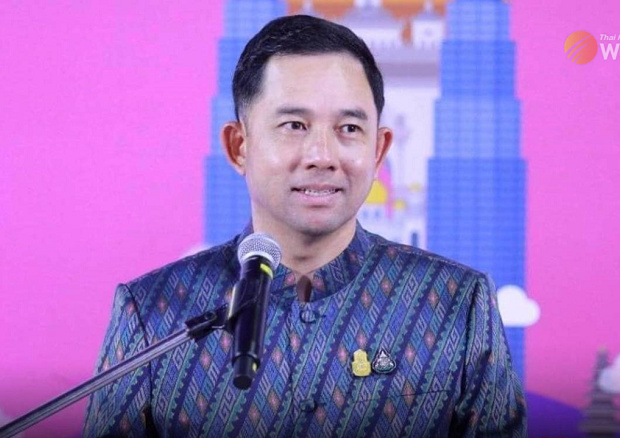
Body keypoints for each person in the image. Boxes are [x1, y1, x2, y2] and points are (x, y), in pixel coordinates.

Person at [83, 14, 526, 438]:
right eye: (294, 125)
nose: (322, 155)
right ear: (239, 146)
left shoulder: (455, 304)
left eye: (348, 128)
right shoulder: (153, 313)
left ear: (378, 150)